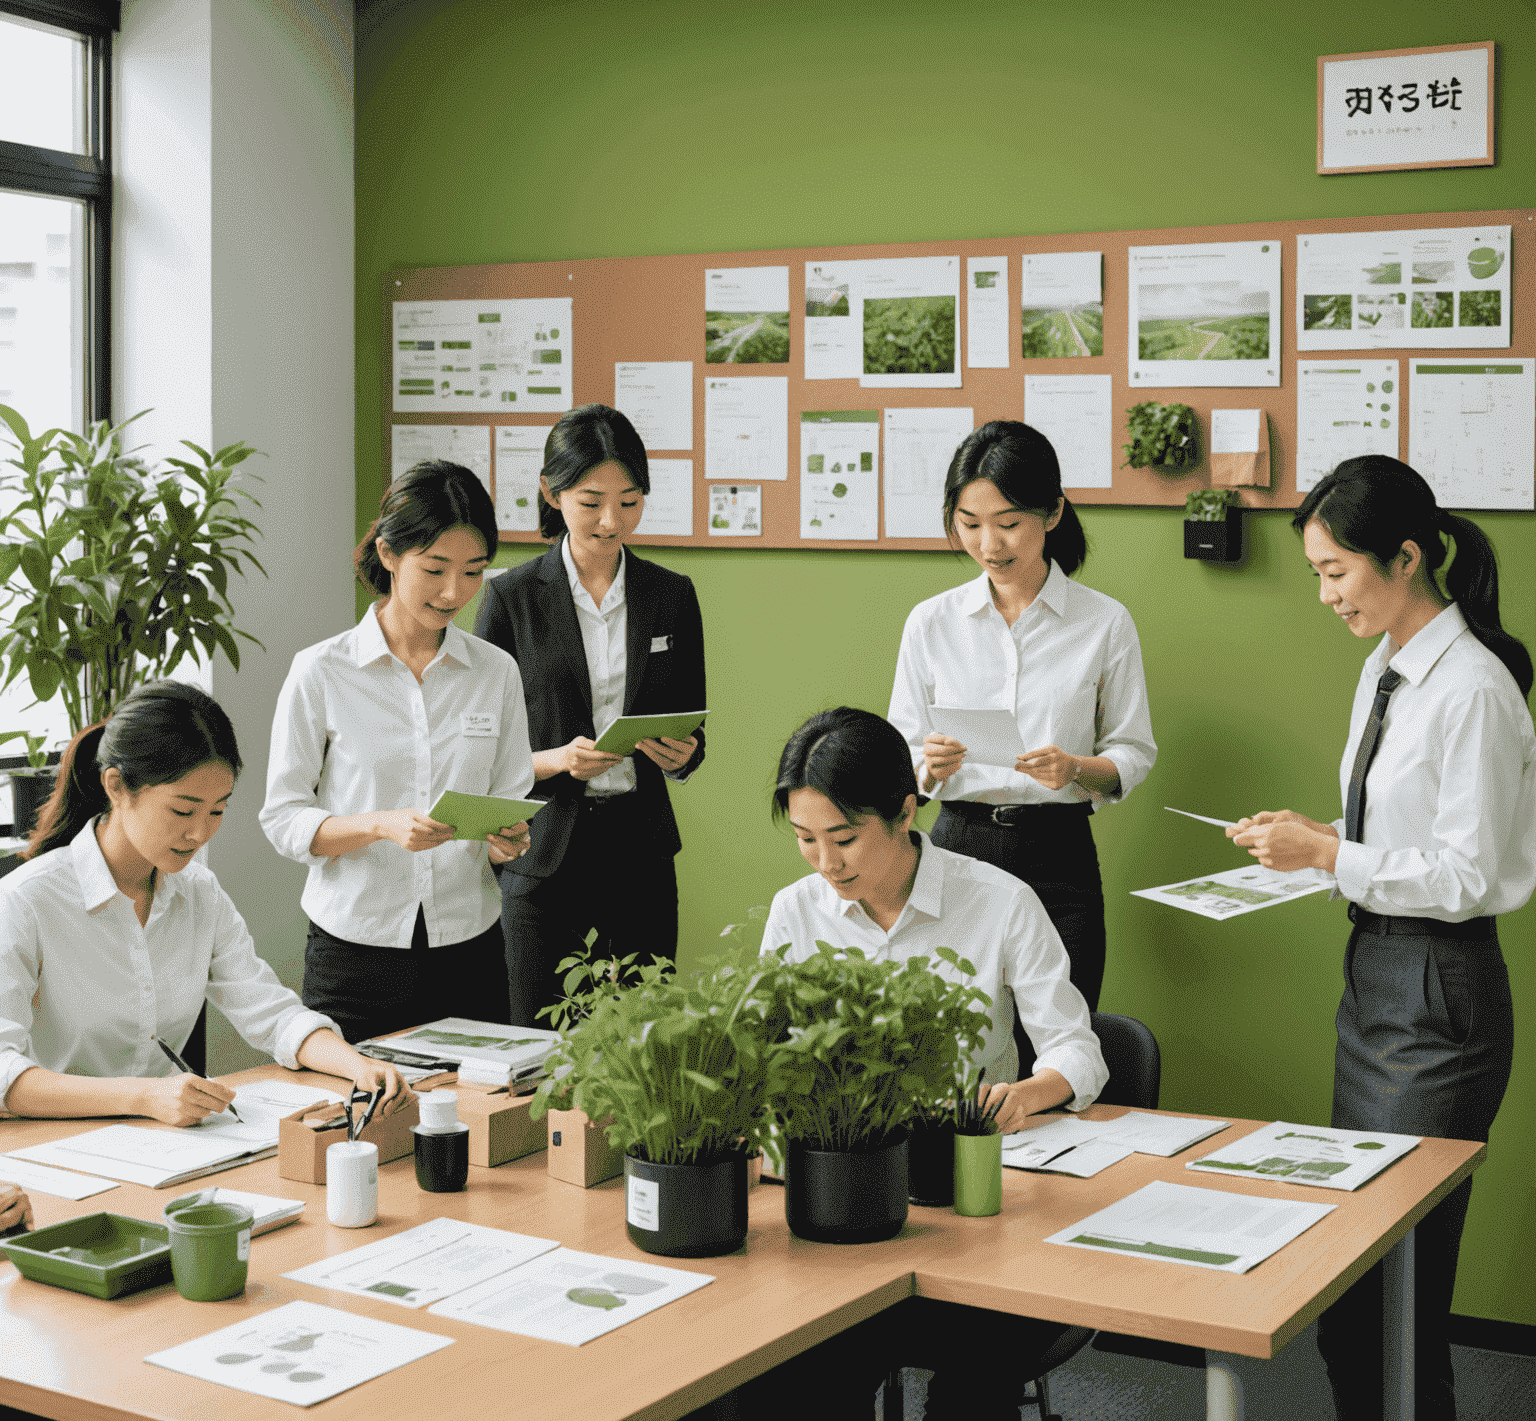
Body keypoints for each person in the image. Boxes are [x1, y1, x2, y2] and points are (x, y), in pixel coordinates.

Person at [1226, 455, 1532, 1421]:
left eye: (1335, 572)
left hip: (1437, 990)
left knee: (1389, 1298)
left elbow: (1472, 877)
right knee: (1360, 1291)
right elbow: (1400, 837)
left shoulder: (1473, 689)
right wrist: (1313, 842)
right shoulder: (1386, 670)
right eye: (1317, 572)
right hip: (1379, 976)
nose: (1324, 595)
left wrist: (1327, 855)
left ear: (1406, 558)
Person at [758, 706, 1107, 1421]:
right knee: (786, 1374)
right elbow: (763, 1053)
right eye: (805, 840)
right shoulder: (796, 912)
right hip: (841, 1202)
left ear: (906, 810)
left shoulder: (1000, 901)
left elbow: (1079, 1048)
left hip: (965, 1212)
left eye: (845, 839)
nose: (827, 864)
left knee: (972, 1389)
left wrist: (1031, 1092)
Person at [0, 683, 407, 1125]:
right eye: (182, 810)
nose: (199, 834)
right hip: (47, 1151)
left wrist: (358, 1066)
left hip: (161, 1142)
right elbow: (4, 1072)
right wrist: (145, 1096)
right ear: (116, 786)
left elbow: (271, 1012)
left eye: (216, 812)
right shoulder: (27, 900)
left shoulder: (198, 892)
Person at [888, 419, 1155, 1014]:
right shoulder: (931, 623)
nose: (990, 545)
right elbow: (901, 753)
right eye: (970, 525)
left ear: (1052, 514)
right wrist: (925, 766)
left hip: (1059, 854)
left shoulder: (1104, 622)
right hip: (957, 846)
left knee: (1061, 1044)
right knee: (954, 1039)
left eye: (1009, 524)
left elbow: (1133, 751)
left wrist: (1078, 768)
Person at [262, 461, 534, 1045]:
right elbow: (283, 820)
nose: (453, 591)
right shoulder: (322, 670)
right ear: (388, 554)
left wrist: (506, 837)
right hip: (353, 953)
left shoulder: (496, 672)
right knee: (354, 1127)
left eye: (473, 572)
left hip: (470, 947)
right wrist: (381, 825)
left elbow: (510, 796)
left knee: (474, 1123)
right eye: (435, 569)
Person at [475, 405, 706, 1026]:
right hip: (545, 854)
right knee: (538, 1039)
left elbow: (691, 721)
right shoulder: (511, 598)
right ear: (554, 493)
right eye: (591, 502)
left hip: (641, 852)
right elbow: (478, 752)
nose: (612, 522)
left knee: (643, 1040)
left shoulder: (671, 595)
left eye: (630, 502)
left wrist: (686, 753)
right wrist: (558, 760)